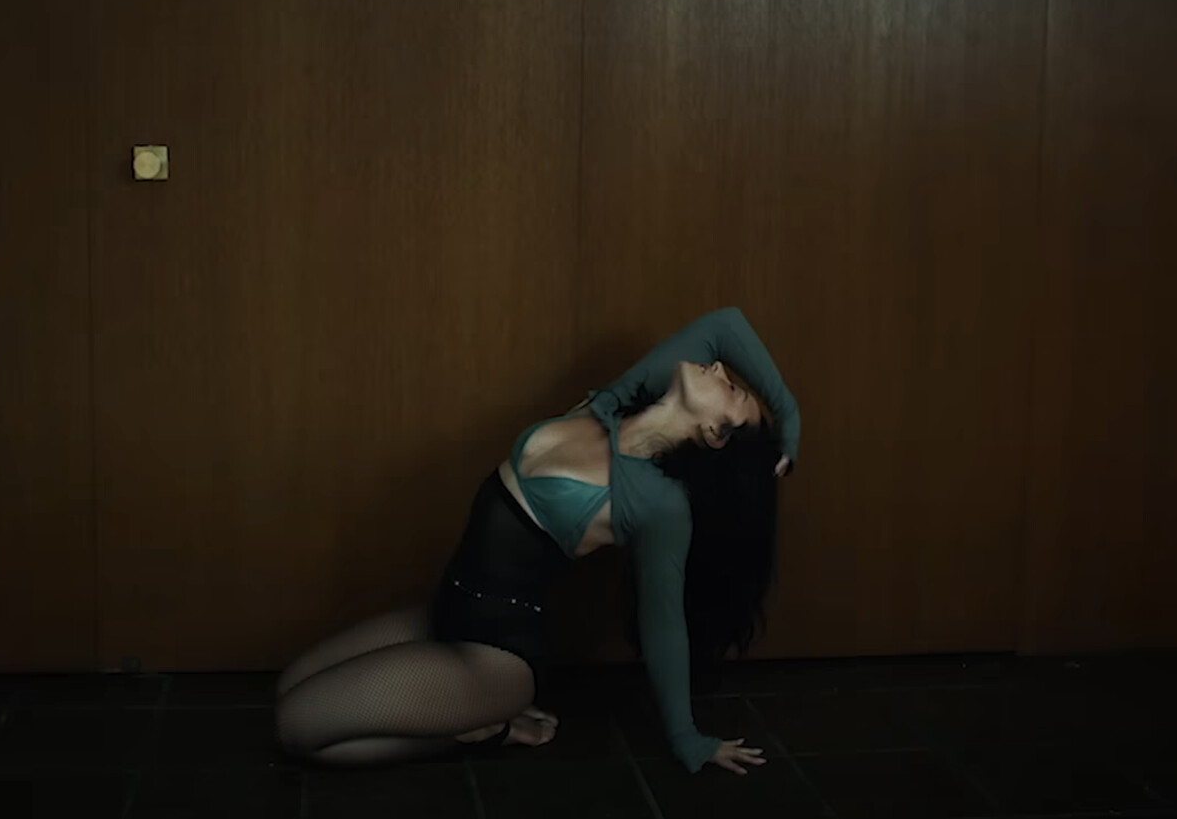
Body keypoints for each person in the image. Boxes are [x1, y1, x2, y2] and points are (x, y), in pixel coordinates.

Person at [273, 307, 799, 776]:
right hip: (448, 608)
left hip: (496, 655)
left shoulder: (660, 504)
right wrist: (790, 418)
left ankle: (481, 730)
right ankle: (469, 719)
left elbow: (663, 622)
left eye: (733, 391)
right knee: (289, 686)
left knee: (297, 727)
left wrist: (687, 738)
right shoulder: (614, 405)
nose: (720, 369)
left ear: (714, 433)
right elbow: (723, 325)